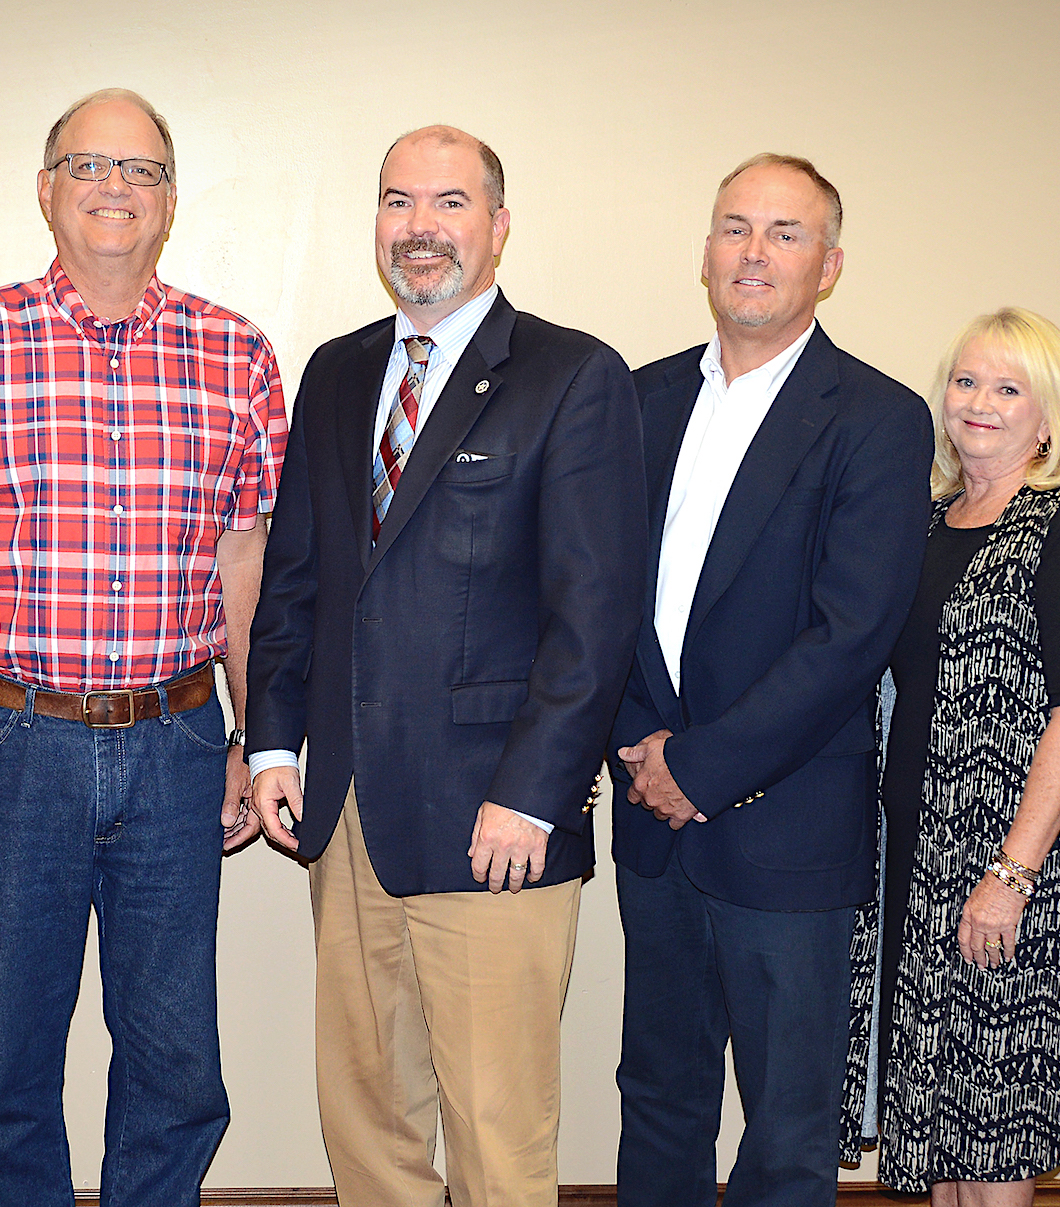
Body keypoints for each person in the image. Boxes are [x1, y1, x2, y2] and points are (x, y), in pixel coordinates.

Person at [0, 89, 287, 1205]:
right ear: (46, 190)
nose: (114, 189)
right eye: (89, 165)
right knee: (8, 1061)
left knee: (176, 1061)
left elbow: (247, 564)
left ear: (172, 204)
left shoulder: (235, 352)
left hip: (181, 742)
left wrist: (260, 740)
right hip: (11, 745)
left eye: (141, 171)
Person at [246, 125, 646, 1207]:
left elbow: (594, 620)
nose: (420, 229)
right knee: (367, 1124)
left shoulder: (572, 376)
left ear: (499, 225)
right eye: (398, 203)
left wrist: (533, 793)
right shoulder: (333, 374)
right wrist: (273, 742)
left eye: (450, 204)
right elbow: (295, 580)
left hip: (495, 826)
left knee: (494, 1133)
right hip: (348, 821)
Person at [609, 153, 933, 1207]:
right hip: (652, 821)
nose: (755, 252)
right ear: (705, 253)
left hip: (784, 825)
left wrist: (698, 765)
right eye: (735, 227)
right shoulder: (639, 399)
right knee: (657, 1093)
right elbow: (595, 593)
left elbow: (851, 636)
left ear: (829, 265)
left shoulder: (876, 419)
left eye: (785, 233)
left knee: (789, 1129)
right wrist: (641, 752)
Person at [867, 308, 1060, 1204]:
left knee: (992, 1135)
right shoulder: (925, 525)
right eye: (968, 381)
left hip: (1011, 874)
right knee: (944, 1135)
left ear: (1048, 418)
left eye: (1009, 388)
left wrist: (1010, 875)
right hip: (918, 863)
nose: (980, 403)